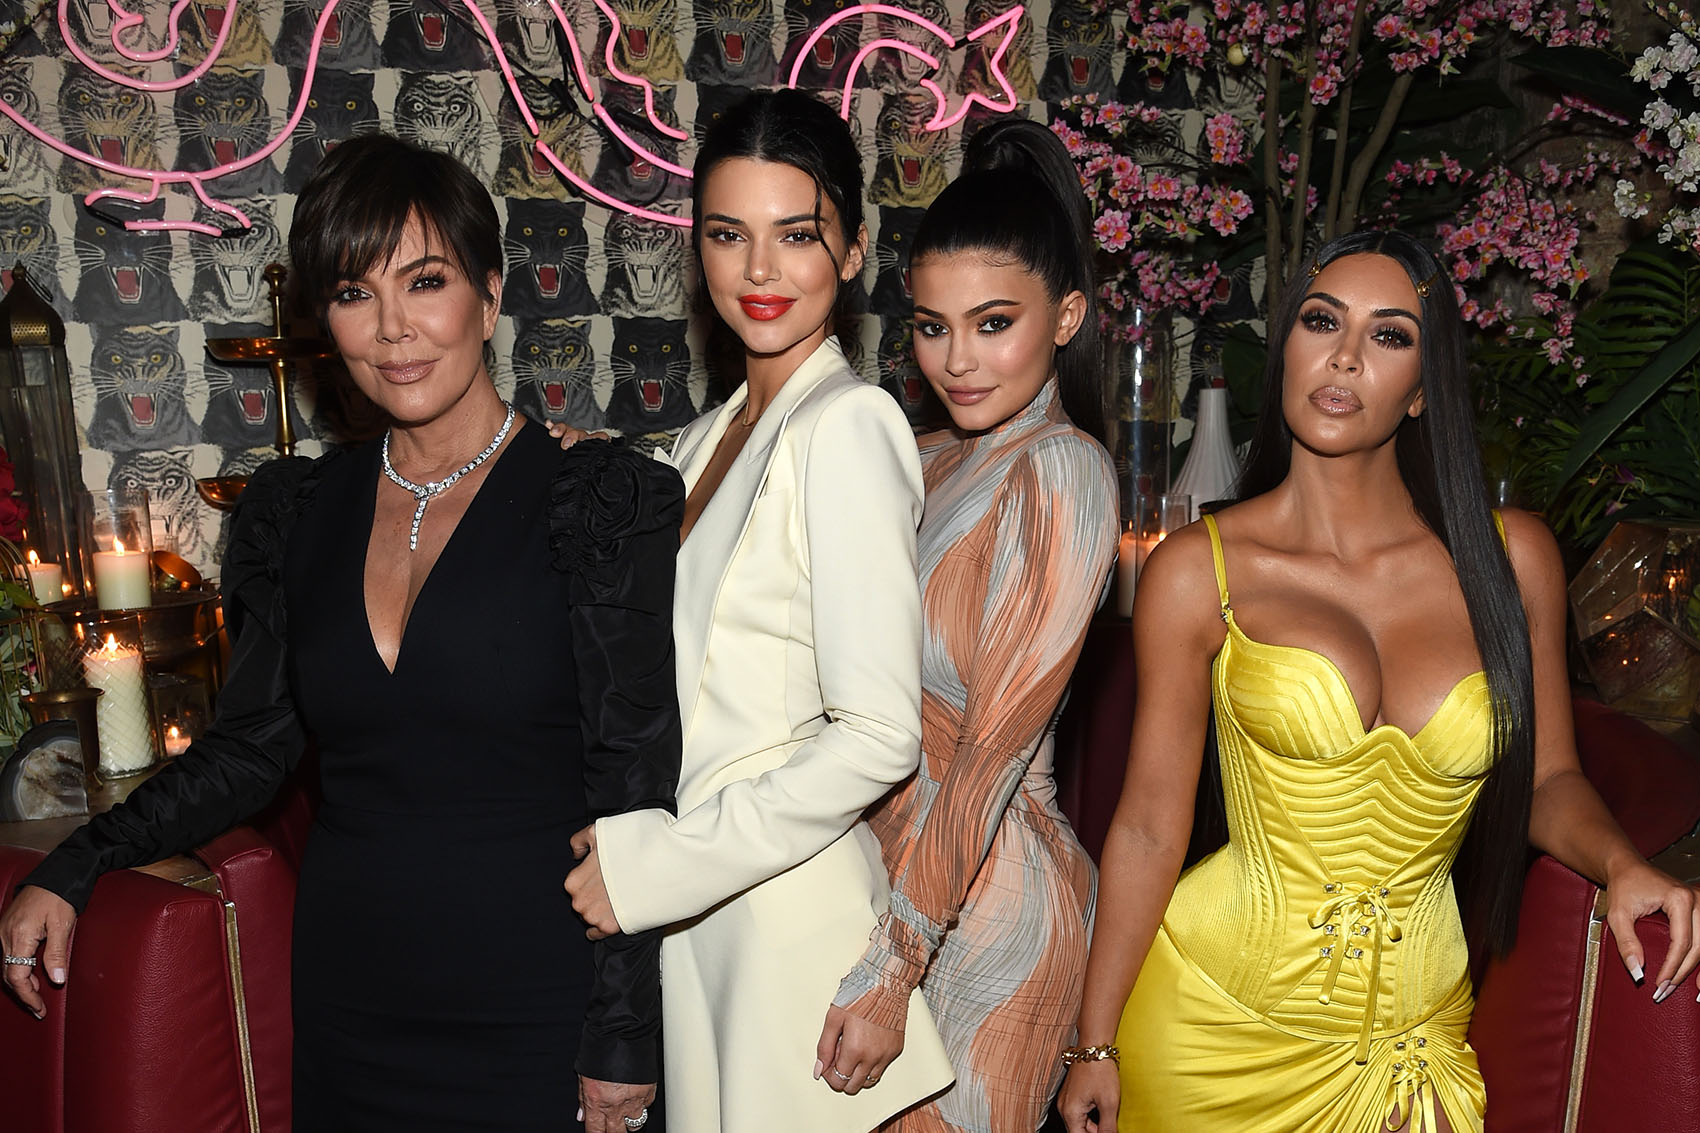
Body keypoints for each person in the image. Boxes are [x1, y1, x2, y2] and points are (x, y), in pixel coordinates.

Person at [0, 134, 682, 1133]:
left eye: (426, 281)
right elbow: (250, 750)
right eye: (356, 293)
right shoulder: (294, 513)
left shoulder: (597, 498)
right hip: (353, 1000)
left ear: (490, 296)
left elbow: (636, 785)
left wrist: (623, 1032)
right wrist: (82, 858)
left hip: (540, 996)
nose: (395, 329)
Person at [1057, 230, 1700, 1133]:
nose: (1345, 355)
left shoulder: (1511, 560)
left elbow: (1549, 780)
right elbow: (1150, 825)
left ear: (1424, 389)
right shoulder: (1200, 570)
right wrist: (1095, 1040)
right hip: (1206, 1030)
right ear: (1284, 346)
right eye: (1322, 321)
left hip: (1409, 1048)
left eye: (1389, 335)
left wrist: (1623, 864)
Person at [560, 88, 955, 1132]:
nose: (761, 271)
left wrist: (656, 865)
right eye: (728, 235)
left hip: (789, 930)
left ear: (855, 248)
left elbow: (877, 734)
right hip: (703, 932)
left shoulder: (851, 423)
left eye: (796, 235)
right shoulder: (697, 445)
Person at [819, 118, 1118, 1132]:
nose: (957, 358)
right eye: (931, 324)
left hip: (987, 917)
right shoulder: (927, 453)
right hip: (888, 884)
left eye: (993, 322)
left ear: (1065, 313)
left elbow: (990, 750)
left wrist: (894, 964)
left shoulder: (1062, 471)